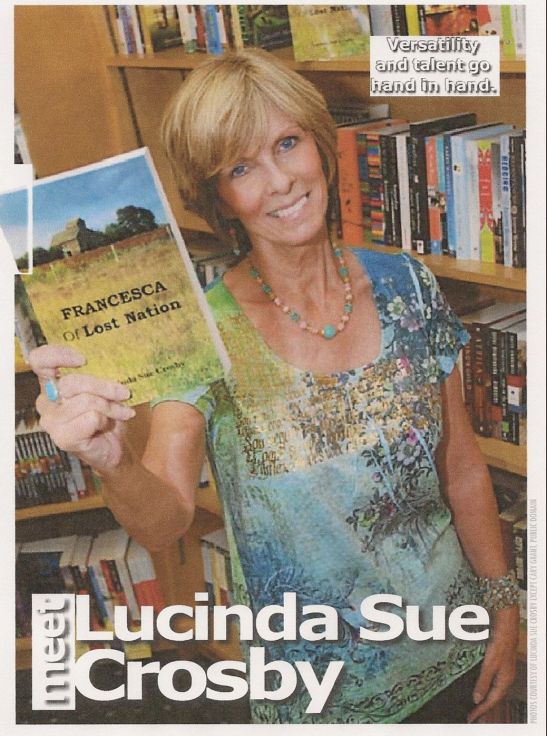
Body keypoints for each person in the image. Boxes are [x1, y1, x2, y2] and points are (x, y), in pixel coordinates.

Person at [30, 49, 520, 724]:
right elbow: (165, 521)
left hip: (457, 648)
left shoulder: (406, 283)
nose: (280, 181)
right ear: (218, 197)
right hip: (320, 696)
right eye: (240, 168)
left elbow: (459, 466)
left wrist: (503, 608)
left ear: (319, 145)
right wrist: (111, 461)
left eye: (287, 143)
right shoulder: (203, 331)